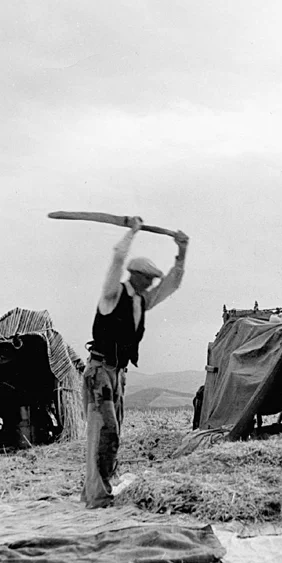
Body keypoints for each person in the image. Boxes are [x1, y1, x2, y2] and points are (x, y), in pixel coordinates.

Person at [81, 217, 189, 508]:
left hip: (118, 373)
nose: (153, 283)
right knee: (102, 432)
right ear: (137, 276)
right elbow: (117, 257)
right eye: (149, 279)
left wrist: (182, 251)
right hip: (100, 371)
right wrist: (132, 231)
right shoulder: (112, 294)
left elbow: (172, 284)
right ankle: (96, 495)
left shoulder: (141, 300)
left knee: (112, 434)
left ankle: (102, 487)